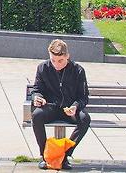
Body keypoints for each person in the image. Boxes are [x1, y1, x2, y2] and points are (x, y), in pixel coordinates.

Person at [30, 39, 90, 170]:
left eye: (60, 61)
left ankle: (64, 156)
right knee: (37, 115)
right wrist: (38, 98)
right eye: (53, 60)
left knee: (85, 119)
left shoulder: (78, 70)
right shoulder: (43, 68)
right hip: (50, 107)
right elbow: (36, 90)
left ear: (67, 56)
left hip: (69, 109)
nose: (56, 64)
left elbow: (83, 97)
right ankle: (45, 156)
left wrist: (75, 106)